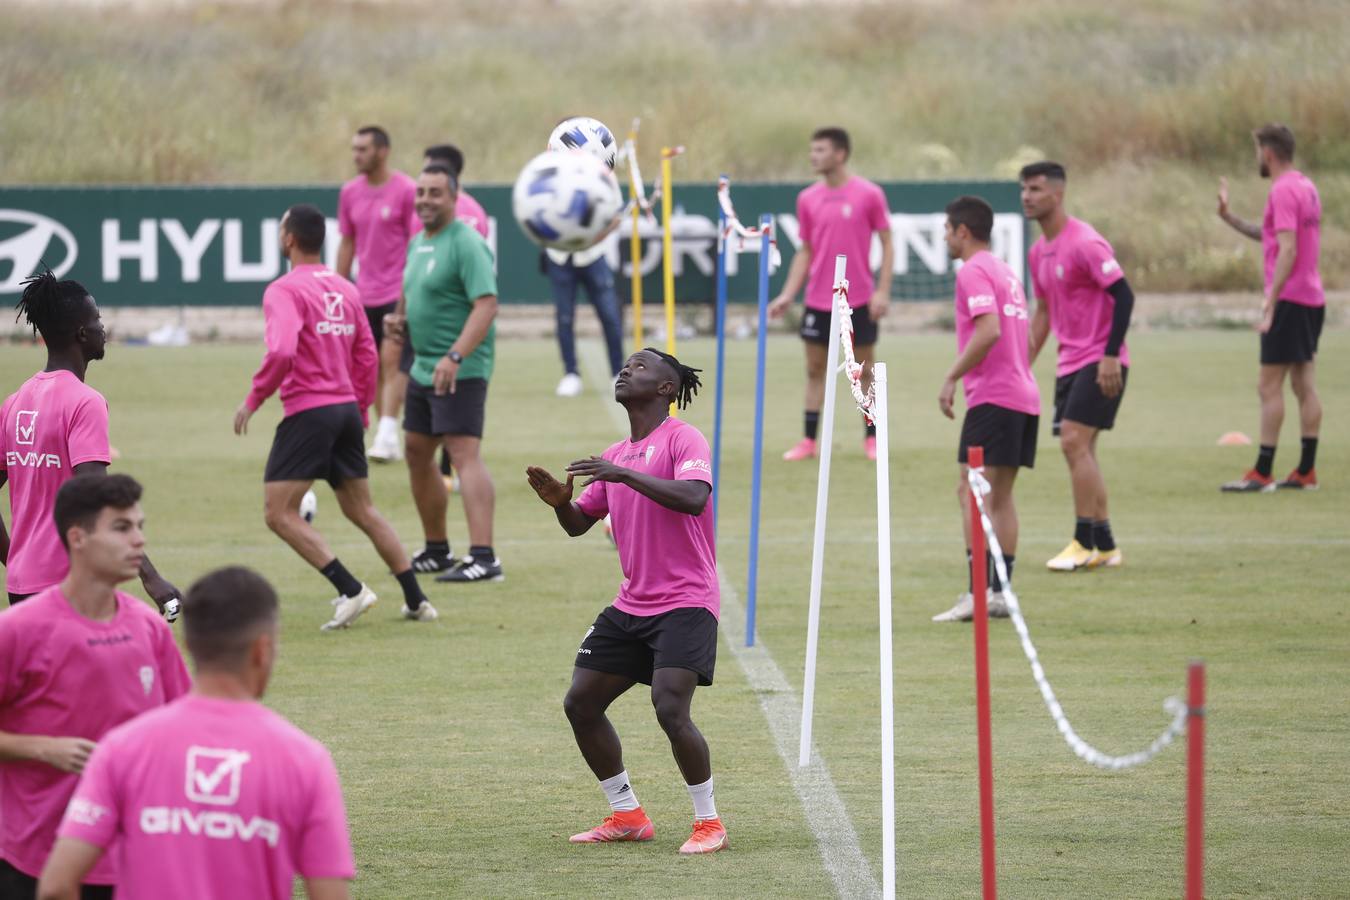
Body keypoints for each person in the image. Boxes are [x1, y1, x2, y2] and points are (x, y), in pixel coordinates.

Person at [38, 566, 356, 900]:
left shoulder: (122, 748)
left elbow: (57, 885)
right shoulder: (304, 759)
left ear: (189, 645)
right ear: (262, 650)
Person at [526, 348, 728, 855]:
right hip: (633, 605)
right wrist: (561, 504)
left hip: (686, 600)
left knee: (669, 708)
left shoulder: (684, 438)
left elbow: (693, 497)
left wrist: (623, 475)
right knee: (581, 702)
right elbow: (578, 525)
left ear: (665, 388)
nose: (625, 370)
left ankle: (709, 824)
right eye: (626, 365)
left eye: (639, 367)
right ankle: (627, 814)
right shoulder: (614, 455)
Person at [233, 204, 435, 627]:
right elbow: (366, 355)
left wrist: (254, 398)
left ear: (288, 239)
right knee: (363, 510)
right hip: (345, 409)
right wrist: (361, 408)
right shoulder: (346, 288)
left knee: (278, 512)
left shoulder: (283, 290)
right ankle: (417, 600)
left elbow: (283, 350)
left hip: (310, 411)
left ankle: (350, 588)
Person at [0, 474, 191, 899]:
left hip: (134, 860)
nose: (138, 540)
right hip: (32, 861)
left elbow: (181, 728)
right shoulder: (18, 631)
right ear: (78, 538)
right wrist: (42, 749)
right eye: (122, 528)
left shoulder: (148, 629)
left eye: (140, 526)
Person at [0, 270, 180, 614]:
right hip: (69, 585)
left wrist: (14, 557)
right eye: (97, 318)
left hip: (21, 588)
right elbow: (97, 500)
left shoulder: (15, 401)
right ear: (82, 334)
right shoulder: (85, 402)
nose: (103, 328)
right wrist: (151, 578)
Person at [383, 165, 501, 583]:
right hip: (423, 366)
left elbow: (486, 304)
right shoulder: (419, 241)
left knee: (463, 453)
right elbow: (411, 289)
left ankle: (484, 557)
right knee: (416, 450)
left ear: (453, 198)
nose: (425, 200)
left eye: (435, 193)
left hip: (461, 368)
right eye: (420, 192)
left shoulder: (467, 243)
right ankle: (437, 549)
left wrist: (455, 355)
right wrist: (398, 319)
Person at [1022, 161, 1135, 572]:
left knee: (1072, 441)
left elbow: (1124, 297)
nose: (1027, 197)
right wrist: (1021, 365)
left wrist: (1110, 355)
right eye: (1024, 189)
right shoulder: (1038, 253)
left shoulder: (1085, 242)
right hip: (1070, 362)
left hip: (1101, 360)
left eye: (1035, 189)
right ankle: (1105, 545)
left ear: (1058, 193)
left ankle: (1083, 541)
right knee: (1081, 450)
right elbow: (1044, 313)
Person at [932, 197, 1040, 622]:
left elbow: (990, 330)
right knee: (1002, 496)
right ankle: (999, 592)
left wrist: (951, 376)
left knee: (971, 493)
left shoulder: (973, 271)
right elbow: (1025, 338)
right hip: (1024, 396)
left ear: (962, 231)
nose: (944, 237)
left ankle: (980, 594)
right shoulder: (1006, 271)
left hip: (994, 397)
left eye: (946, 229)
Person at [768, 126, 894, 461]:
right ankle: (808, 442)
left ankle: (871, 438)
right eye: (813, 150)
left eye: (820, 150)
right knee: (814, 370)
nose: (814, 156)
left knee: (864, 369)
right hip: (818, 301)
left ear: (840, 154)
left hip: (860, 300)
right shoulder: (807, 198)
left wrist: (882, 291)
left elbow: (887, 242)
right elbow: (806, 251)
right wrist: (787, 294)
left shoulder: (869, 194)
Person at [1216, 124, 1324, 492]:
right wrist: (1229, 218)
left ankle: (1262, 472)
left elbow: (1288, 249)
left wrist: (1270, 301)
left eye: (1257, 150)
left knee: (1269, 385)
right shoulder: (1306, 186)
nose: (1257, 158)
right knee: (1304, 383)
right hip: (1312, 296)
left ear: (1268, 153)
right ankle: (1305, 471)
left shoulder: (1281, 190)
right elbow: (1275, 237)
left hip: (1290, 298)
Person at [334, 125, 419, 464]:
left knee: (392, 361)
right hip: (361, 293)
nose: (356, 156)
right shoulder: (349, 192)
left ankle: (386, 433)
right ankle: (380, 432)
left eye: (363, 149)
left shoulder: (406, 190)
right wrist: (338, 287)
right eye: (354, 149)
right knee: (368, 366)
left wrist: (407, 293)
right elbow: (347, 241)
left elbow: (416, 243)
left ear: (382, 151)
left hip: (396, 291)